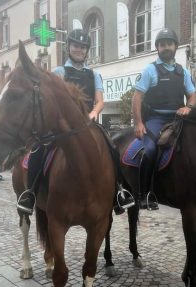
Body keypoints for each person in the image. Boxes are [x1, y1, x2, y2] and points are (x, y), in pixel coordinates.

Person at [16, 28, 117, 214]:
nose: (79, 50)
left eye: (83, 47)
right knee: (39, 150)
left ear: (87, 50)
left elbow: (100, 100)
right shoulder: (59, 71)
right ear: (69, 47)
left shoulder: (94, 75)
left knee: (112, 147)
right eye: (76, 46)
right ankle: (30, 194)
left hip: (88, 122)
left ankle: (118, 192)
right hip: (63, 126)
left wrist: (94, 112)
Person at [132, 28, 196, 210]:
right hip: (156, 119)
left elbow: (192, 96)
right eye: (162, 44)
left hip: (178, 118)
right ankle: (143, 195)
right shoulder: (150, 70)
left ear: (175, 46)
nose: (165, 47)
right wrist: (138, 123)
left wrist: (188, 107)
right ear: (157, 48)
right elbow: (137, 98)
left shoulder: (182, 72)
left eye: (169, 43)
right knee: (150, 150)